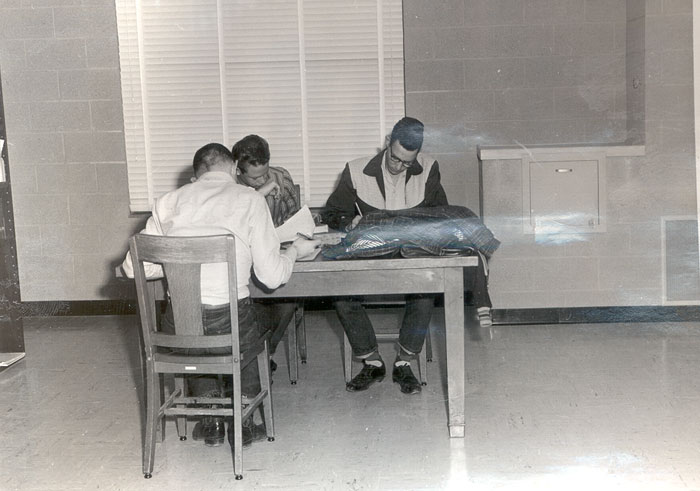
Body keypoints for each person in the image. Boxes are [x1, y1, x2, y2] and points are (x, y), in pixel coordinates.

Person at [122, 143, 319, 448]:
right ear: (233, 169)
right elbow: (272, 277)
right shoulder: (250, 199)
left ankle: (210, 417)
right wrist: (294, 251)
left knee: (198, 326)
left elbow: (131, 267)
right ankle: (245, 420)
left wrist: (179, 263)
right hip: (232, 330)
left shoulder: (167, 202)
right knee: (256, 324)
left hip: (179, 333)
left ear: (196, 175)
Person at [321, 117, 447, 395]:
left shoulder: (429, 168)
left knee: (426, 288)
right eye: (395, 158)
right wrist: (349, 222)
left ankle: (404, 361)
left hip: (409, 252)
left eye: (407, 163)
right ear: (388, 142)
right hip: (370, 252)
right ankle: (372, 361)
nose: (399, 167)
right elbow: (332, 213)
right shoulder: (356, 169)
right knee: (340, 289)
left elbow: (441, 214)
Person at [231, 134, 300, 372]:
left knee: (288, 301)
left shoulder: (282, 178)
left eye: (265, 173)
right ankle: (251, 358)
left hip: (273, 259)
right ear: (237, 169)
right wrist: (259, 193)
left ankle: (262, 355)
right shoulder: (229, 188)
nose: (262, 179)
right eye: (254, 177)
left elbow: (295, 219)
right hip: (242, 267)